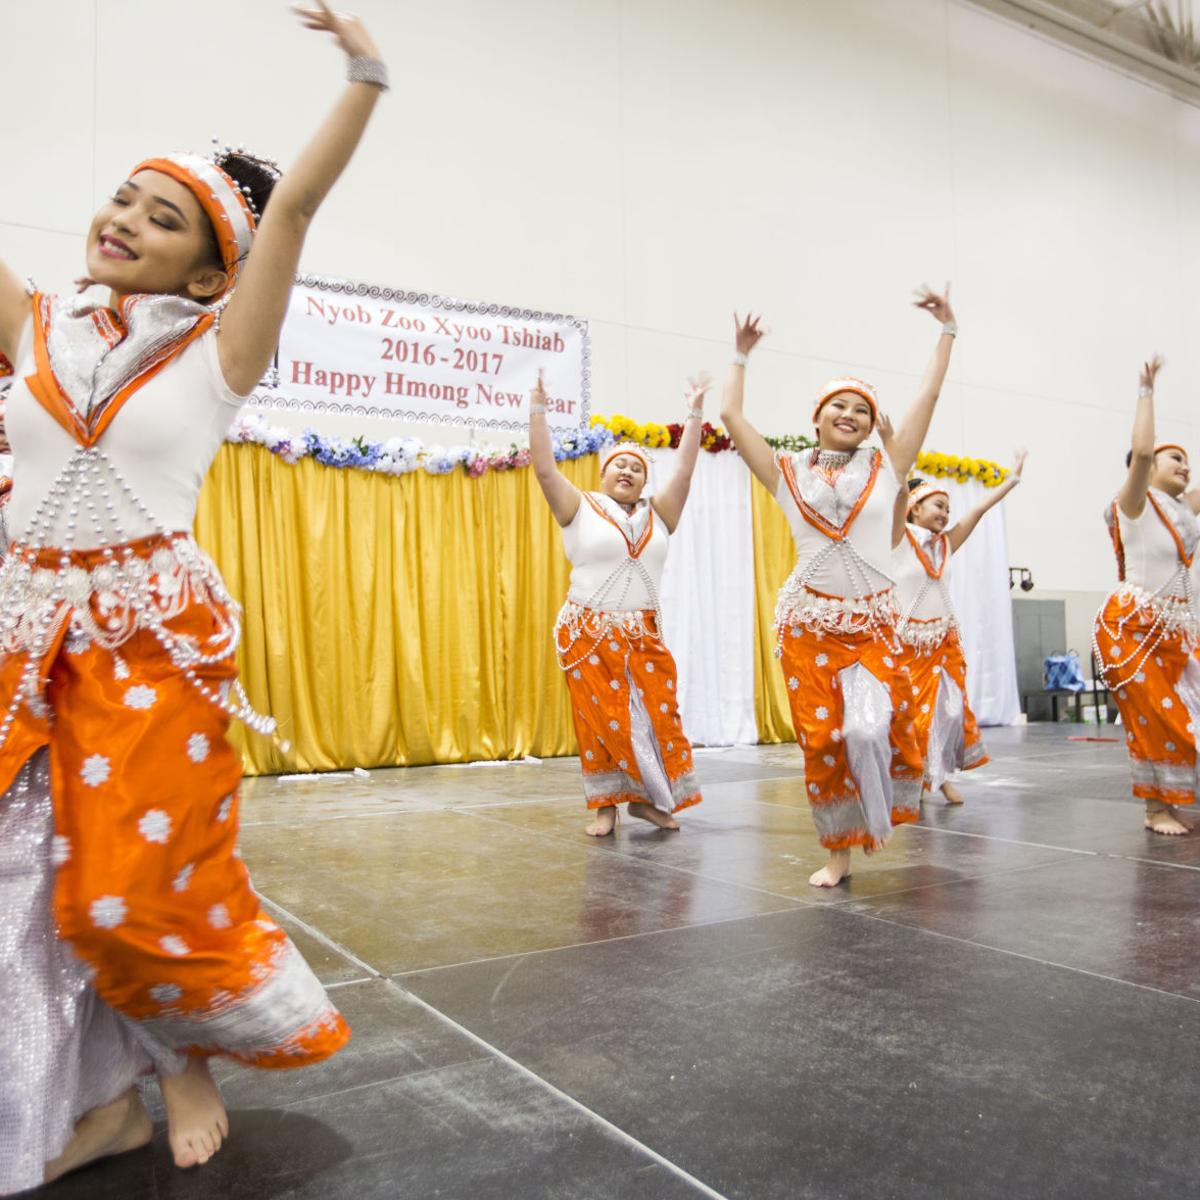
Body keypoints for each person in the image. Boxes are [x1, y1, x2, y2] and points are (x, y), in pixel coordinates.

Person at [0, 4, 387, 1189]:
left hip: (150, 639)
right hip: (22, 632)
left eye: (163, 217)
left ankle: (182, 1053)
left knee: (128, 885)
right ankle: (88, 1095)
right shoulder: (32, 332)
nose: (126, 220)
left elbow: (301, 211)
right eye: (123, 197)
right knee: (26, 882)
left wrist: (365, 76)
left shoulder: (220, 354)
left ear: (213, 269)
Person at [720, 288, 956, 886]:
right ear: (817, 417)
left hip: (873, 623)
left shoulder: (889, 469)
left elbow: (927, 396)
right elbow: (731, 418)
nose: (849, 414)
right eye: (838, 406)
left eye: (860, 409)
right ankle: (838, 853)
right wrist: (742, 356)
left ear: (872, 423)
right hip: (808, 625)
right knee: (823, 739)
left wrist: (947, 331)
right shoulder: (786, 474)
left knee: (868, 727)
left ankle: (880, 810)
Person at [530, 372, 707, 836]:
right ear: (603, 473)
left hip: (643, 633)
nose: (627, 472)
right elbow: (545, 468)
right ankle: (606, 805)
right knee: (602, 721)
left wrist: (694, 412)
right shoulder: (578, 507)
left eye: (637, 468)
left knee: (656, 719)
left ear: (646, 480)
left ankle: (647, 801)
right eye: (618, 466)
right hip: (587, 631)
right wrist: (538, 410)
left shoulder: (660, 515)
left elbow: (685, 471)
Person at [1094, 356, 1200, 836]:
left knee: (1184, 716)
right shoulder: (1133, 505)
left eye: (1187, 462)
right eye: (1175, 457)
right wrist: (1146, 389)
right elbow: (1140, 453)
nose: (1185, 466)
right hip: (1131, 627)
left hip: (1178, 629)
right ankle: (1156, 808)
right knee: (1159, 717)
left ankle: (1169, 799)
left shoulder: (1183, 514)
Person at [889, 453, 1025, 804]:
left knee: (948, 714)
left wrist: (1009, 483)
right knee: (915, 717)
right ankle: (915, 777)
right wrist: (900, 465)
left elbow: (976, 512)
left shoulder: (946, 544)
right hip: (909, 643)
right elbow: (898, 496)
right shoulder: (899, 540)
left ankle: (940, 776)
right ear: (915, 509)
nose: (945, 514)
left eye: (948, 509)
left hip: (942, 639)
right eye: (938, 505)